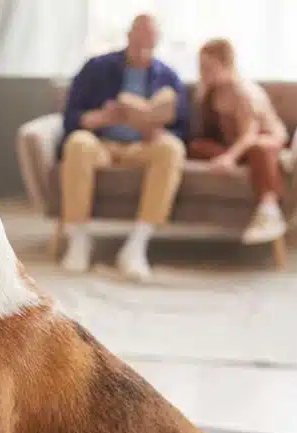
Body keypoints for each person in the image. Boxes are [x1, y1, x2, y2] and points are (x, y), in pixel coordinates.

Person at [56, 13, 190, 281]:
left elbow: (184, 129)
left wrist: (158, 130)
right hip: (101, 144)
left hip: (142, 148)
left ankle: (137, 245)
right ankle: (79, 239)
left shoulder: (168, 77)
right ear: (128, 36)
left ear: (157, 42)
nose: (142, 48)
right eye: (138, 40)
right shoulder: (96, 67)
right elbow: (70, 117)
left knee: (172, 148)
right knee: (78, 143)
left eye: (149, 42)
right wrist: (100, 118)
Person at [189, 37, 290, 244]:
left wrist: (229, 158)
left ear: (227, 65)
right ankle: (240, 163)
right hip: (233, 144)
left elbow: (248, 135)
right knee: (196, 147)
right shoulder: (210, 92)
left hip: (260, 141)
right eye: (201, 67)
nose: (203, 72)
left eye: (209, 67)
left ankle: (269, 210)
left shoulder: (244, 92)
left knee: (258, 148)